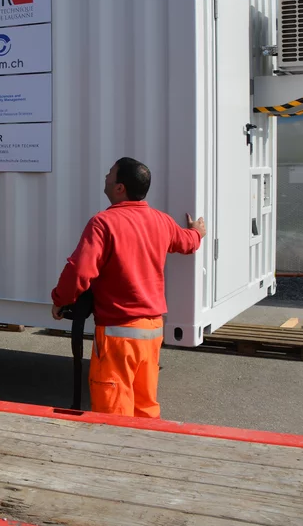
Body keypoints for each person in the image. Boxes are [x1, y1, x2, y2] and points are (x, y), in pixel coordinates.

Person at [50, 157, 205, 418]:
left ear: (120, 187)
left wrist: (60, 299)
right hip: (153, 331)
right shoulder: (161, 221)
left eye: (110, 174)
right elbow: (186, 242)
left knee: (113, 415)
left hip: (117, 334)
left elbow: (79, 271)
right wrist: (198, 232)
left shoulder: (103, 223)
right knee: (144, 408)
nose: (106, 177)